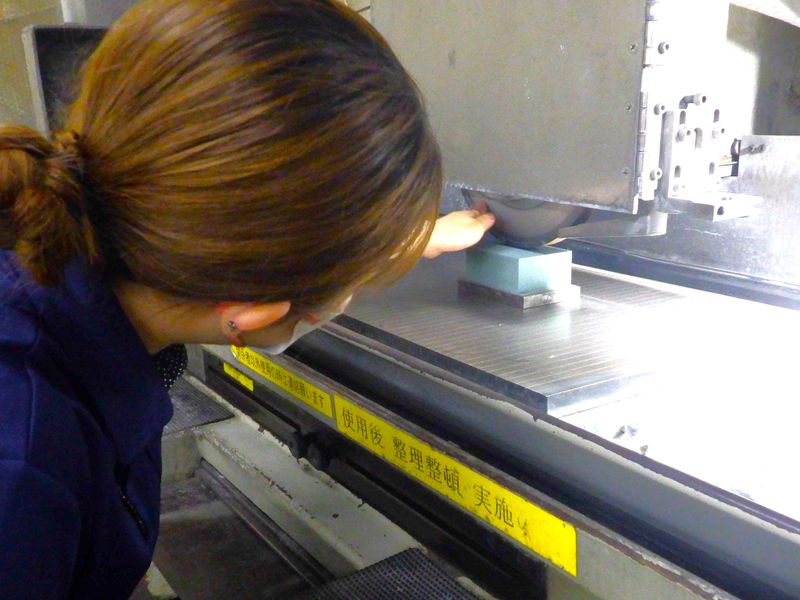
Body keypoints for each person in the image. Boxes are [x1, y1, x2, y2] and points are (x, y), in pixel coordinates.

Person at [0, 0, 494, 598]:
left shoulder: (56, 243)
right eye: (356, 281)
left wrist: (403, 235)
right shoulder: (23, 480)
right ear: (251, 313)